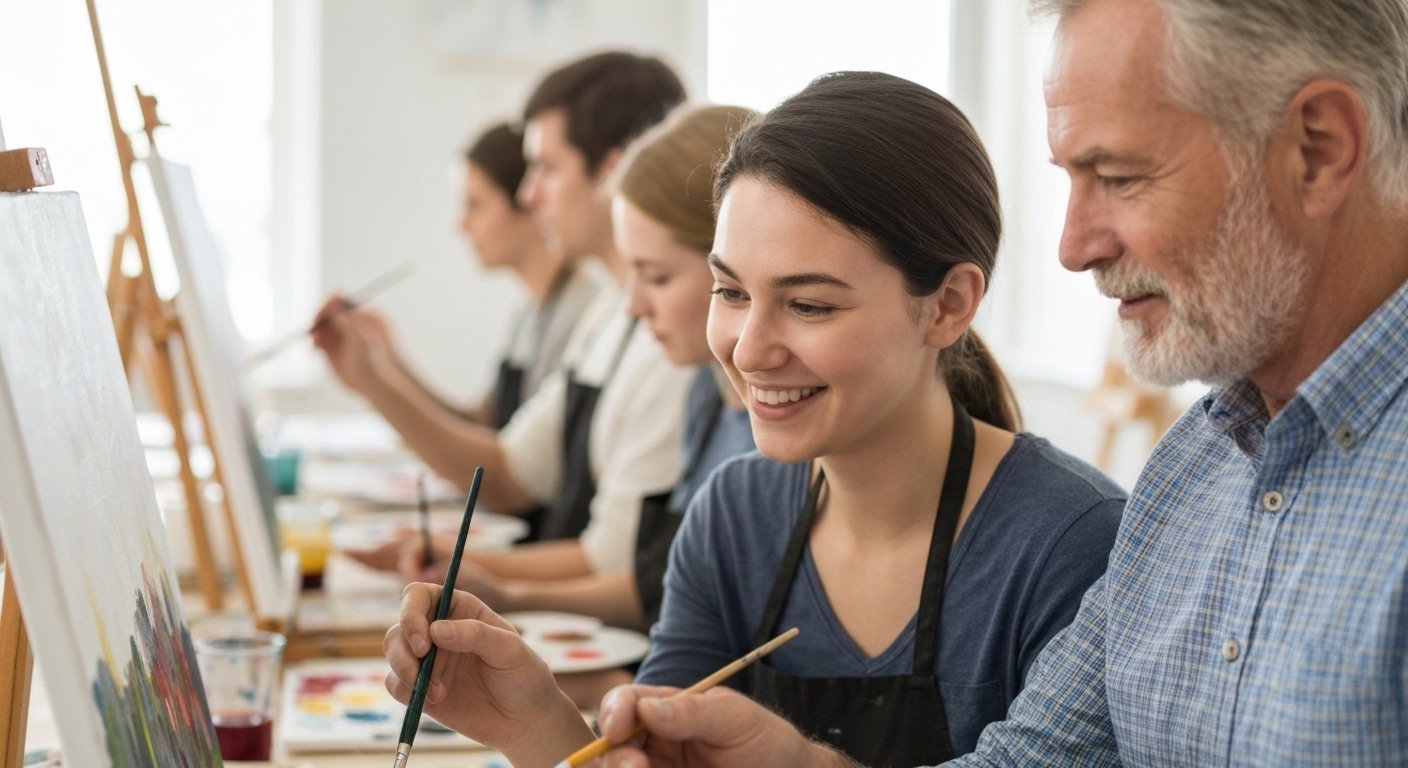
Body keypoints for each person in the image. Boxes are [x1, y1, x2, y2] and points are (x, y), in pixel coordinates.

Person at [587, 0, 1408, 765]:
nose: (1073, 247)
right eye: (1069, 180)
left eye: (1118, 176)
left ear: (1319, 148)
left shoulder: (1086, 523)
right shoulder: (1189, 478)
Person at [382, 71, 1126, 767]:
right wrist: (537, 723)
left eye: (809, 305)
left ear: (950, 305)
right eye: (730, 292)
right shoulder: (735, 515)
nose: (749, 349)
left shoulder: (1072, 544)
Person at [396, 105, 760, 636]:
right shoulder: (703, 393)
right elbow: (668, 590)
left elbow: (624, 569)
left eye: (656, 277)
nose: (529, 195)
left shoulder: (704, 389)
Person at [341, 52, 695, 587]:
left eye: (547, 169)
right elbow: (509, 473)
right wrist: (372, 375)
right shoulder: (606, 316)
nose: (529, 196)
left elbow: (615, 562)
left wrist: (462, 572)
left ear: (613, 172)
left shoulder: (673, 343)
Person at [312, 122, 606, 486]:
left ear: (527, 205)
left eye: (475, 205)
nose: (461, 225)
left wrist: (375, 381)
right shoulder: (529, 310)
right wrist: (390, 363)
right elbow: (482, 423)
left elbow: (507, 466)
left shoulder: (580, 314)